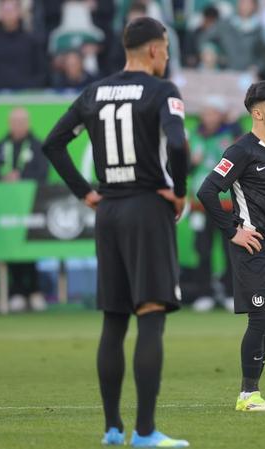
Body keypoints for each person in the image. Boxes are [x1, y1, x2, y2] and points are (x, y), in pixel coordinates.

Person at [42, 17, 189, 447]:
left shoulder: (94, 92)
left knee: (114, 319)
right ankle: (144, 432)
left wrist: (85, 193)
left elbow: (52, 143)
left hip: (108, 211)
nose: (166, 57)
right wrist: (179, 192)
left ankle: (111, 428)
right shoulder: (162, 90)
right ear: (155, 50)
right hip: (147, 207)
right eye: (165, 50)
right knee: (151, 315)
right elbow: (177, 144)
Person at [197, 80, 265, 412]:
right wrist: (232, 232)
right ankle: (247, 395)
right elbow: (207, 191)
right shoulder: (240, 150)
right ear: (257, 113)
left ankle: (254, 393)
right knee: (260, 316)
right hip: (252, 248)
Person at [0, 107, 48, 312]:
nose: (18, 126)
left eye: (22, 122)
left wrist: (21, 178)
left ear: (27, 123)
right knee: (11, 250)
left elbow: (43, 173)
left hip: (31, 207)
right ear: (10, 124)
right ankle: (17, 291)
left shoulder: (37, 146)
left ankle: (35, 290)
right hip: (7, 210)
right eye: (15, 122)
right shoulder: (0, 147)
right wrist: (4, 178)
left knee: (31, 250)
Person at [188, 96, 241, 312]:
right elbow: (183, 167)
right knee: (202, 250)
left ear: (221, 115)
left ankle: (230, 292)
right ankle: (204, 293)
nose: (209, 117)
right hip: (200, 205)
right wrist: (191, 162)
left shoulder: (231, 135)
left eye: (213, 112)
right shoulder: (194, 135)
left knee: (231, 250)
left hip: (226, 203)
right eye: (206, 112)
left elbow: (242, 158)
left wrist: (235, 124)